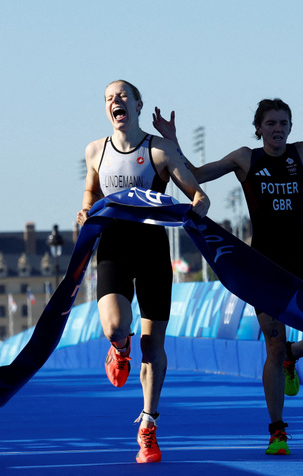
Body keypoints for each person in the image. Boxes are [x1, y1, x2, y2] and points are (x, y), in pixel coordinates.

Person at [153, 99, 303, 455]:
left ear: (290, 127)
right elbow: (194, 173)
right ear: (258, 128)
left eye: (284, 123)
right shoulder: (245, 158)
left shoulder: (302, 154)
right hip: (263, 272)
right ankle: (277, 432)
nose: (278, 129)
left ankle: (293, 353)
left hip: (300, 268)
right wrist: (172, 140)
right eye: (271, 123)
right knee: (271, 345)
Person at [77, 80, 209, 464]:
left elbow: (195, 192)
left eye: (122, 97)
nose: (115, 102)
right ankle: (119, 349)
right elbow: (91, 192)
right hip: (114, 248)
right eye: (108, 99)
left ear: (136, 105)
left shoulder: (159, 149)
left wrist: (198, 203)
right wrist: (86, 209)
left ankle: (148, 425)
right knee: (115, 326)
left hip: (153, 251)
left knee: (153, 345)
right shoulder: (95, 151)